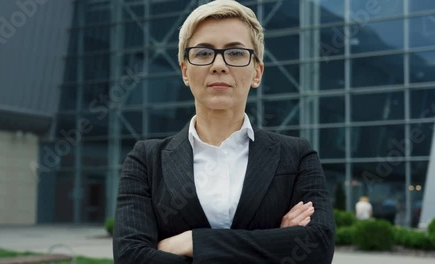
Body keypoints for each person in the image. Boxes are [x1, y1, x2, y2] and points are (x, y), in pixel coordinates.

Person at [112, 1, 335, 263]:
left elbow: (317, 247)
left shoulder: (297, 155)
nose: (219, 65)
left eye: (236, 53)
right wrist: (275, 243)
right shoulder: (146, 161)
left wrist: (192, 242)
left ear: (257, 72)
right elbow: (130, 257)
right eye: (204, 53)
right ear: (185, 71)